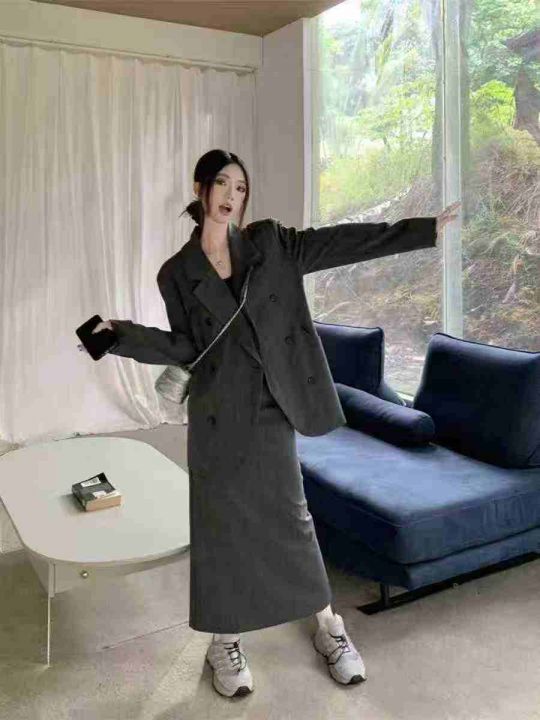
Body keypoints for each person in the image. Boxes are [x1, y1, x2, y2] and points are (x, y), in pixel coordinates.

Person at [79, 148, 460, 698]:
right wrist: (119, 336)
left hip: (273, 405)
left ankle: (329, 627)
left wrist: (421, 230)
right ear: (200, 188)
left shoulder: (271, 243)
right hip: (217, 412)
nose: (232, 196)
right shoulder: (176, 273)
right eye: (222, 184)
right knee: (220, 527)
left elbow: (342, 242)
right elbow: (186, 346)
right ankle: (224, 641)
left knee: (292, 518)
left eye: (240, 187)